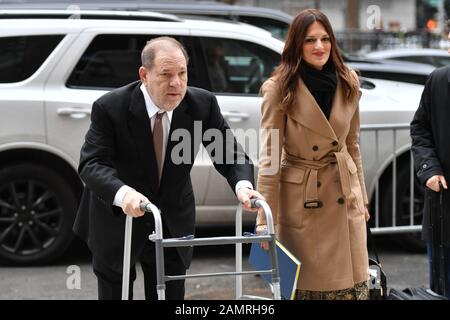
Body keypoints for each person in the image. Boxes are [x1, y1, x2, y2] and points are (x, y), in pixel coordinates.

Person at [73, 36, 263, 300]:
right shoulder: (110, 107)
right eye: (166, 75)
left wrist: (243, 187)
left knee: (170, 294)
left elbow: (230, 154)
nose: (176, 83)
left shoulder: (202, 105)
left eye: (182, 73)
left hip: (172, 216)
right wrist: (124, 194)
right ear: (144, 74)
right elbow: (92, 163)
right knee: (115, 291)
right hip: (118, 217)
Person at [255, 9, 370, 300]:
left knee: (351, 287)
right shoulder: (278, 89)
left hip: (345, 197)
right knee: (307, 287)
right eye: (310, 40)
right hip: (304, 202)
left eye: (325, 39)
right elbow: (269, 157)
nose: (319, 47)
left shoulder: (348, 81)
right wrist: (263, 218)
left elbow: (352, 145)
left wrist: (362, 198)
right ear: (296, 45)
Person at [410, 32, 450, 299]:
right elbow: (420, 128)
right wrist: (430, 170)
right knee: (442, 288)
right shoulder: (438, 80)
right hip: (444, 208)